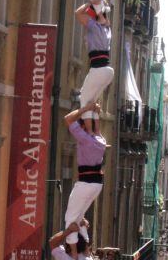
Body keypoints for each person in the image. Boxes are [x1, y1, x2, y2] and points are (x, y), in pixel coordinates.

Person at [63, 102, 106, 258]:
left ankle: (74, 254)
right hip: (96, 184)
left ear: (82, 127)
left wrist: (86, 109)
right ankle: (85, 249)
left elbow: (68, 119)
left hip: (86, 183)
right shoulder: (101, 140)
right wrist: (96, 113)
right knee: (79, 217)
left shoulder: (85, 138)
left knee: (70, 217)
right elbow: (97, 128)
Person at [75, 3, 113, 135]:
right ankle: (97, 132)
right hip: (107, 71)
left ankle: (90, 132)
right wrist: (99, 7)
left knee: (84, 100)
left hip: (98, 69)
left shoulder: (95, 26)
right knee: (93, 102)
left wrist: (90, 3)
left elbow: (78, 13)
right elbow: (105, 20)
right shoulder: (107, 29)